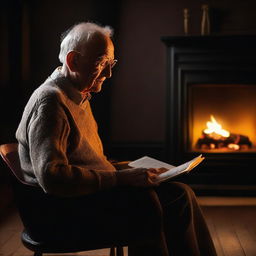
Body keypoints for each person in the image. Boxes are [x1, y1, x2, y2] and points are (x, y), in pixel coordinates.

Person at [16, 22, 217, 256]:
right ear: (72, 61)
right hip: (60, 213)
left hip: (84, 198)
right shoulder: (51, 103)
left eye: (111, 63)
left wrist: (129, 171)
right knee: (156, 203)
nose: (109, 73)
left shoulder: (79, 93)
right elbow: (53, 177)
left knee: (180, 191)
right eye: (102, 63)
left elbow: (84, 159)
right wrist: (120, 179)